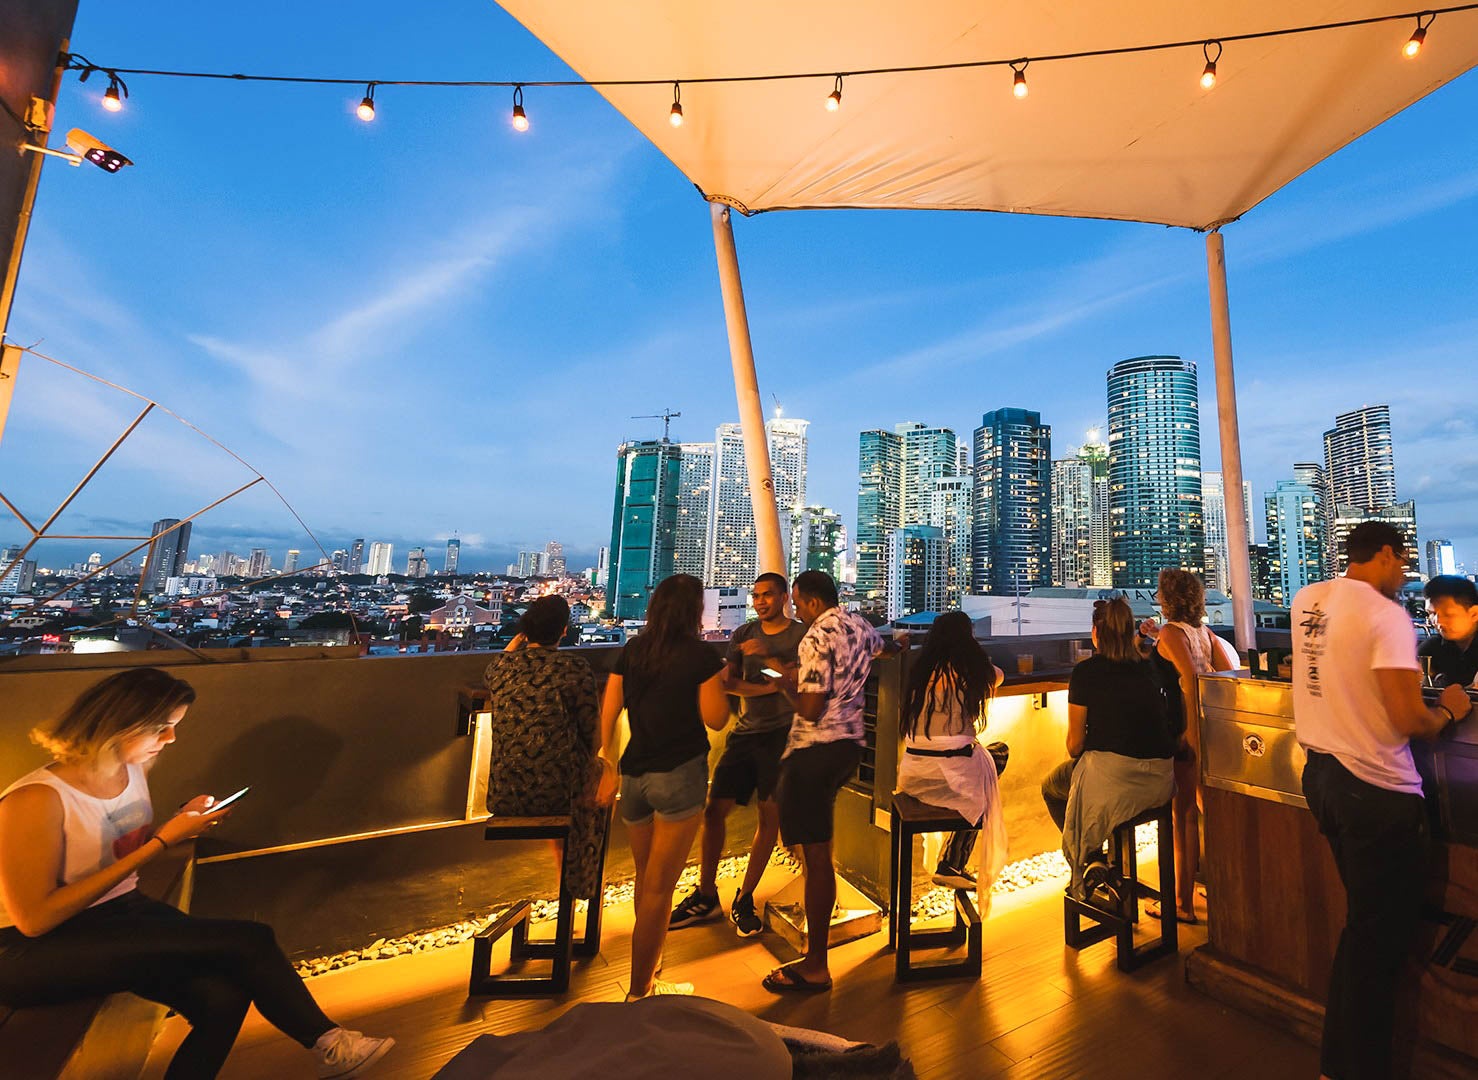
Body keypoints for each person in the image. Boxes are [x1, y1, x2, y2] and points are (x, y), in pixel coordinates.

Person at [0, 668, 393, 1080]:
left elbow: (105, 852)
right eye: (161, 728)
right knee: (250, 940)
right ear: (117, 724)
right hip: (30, 951)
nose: (170, 739)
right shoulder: (36, 799)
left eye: (174, 726)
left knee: (223, 997)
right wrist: (163, 843)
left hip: (114, 913)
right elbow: (34, 920)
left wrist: (182, 820)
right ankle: (330, 1044)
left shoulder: (132, 768)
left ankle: (328, 1047)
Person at [1293, 522, 1473, 1080]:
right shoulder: (1384, 613)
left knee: (1363, 928)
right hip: (1375, 790)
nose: (1406, 574)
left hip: (1322, 776)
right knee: (1377, 940)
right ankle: (1351, 1069)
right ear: (1387, 554)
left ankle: (1342, 1063)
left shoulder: (1308, 599)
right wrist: (1449, 711)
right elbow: (1407, 718)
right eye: (1403, 561)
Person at [595, 574, 728, 1000]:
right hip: (678, 776)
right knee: (659, 887)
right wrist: (720, 684)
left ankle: (649, 975)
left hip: (633, 777)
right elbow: (716, 719)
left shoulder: (633, 650)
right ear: (694, 611)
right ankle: (639, 993)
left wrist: (608, 766)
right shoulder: (701, 656)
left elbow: (610, 711)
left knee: (645, 879)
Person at [762, 571, 884, 994]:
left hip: (815, 750)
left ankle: (816, 965)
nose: (794, 610)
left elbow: (811, 710)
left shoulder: (814, 637)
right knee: (816, 849)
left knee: (816, 859)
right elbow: (884, 648)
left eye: (796, 603)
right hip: (850, 745)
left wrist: (783, 683)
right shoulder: (860, 625)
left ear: (812, 603)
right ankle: (816, 947)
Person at [670, 572, 804, 937]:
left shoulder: (800, 636)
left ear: (784, 598)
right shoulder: (743, 634)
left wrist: (770, 664)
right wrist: (771, 685)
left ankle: (745, 897)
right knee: (715, 811)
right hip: (745, 734)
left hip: (783, 736)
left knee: (769, 814)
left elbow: (802, 686)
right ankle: (707, 891)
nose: (760, 602)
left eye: (768, 595)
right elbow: (729, 683)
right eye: (756, 596)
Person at [1040, 596, 1177, 895]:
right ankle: (1107, 867)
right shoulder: (1149, 668)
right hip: (1162, 782)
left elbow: (1075, 745)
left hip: (1118, 784)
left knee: (1053, 786)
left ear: (1095, 633)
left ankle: (1092, 861)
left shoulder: (1087, 672)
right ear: (1130, 632)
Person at [484, 595, 605, 900]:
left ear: (525, 631)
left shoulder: (501, 669)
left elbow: (498, 662)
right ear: (565, 630)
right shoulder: (574, 668)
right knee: (602, 777)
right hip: (559, 791)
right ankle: (582, 882)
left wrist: (519, 639)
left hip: (503, 794)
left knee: (576, 778)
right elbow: (595, 739)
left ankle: (568, 877)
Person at [1149, 568, 1241, 924]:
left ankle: (1183, 903)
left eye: (1160, 592)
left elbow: (1187, 680)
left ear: (1169, 598)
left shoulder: (1172, 633)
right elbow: (1220, 677)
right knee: (1206, 811)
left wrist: (1188, 734)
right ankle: (1220, 884)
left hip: (1186, 730)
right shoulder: (1205, 633)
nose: (1157, 597)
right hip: (1212, 728)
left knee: (1182, 816)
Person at [894, 611, 1007, 894]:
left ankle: (952, 862)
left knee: (978, 768)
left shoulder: (920, 672)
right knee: (996, 758)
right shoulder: (969, 671)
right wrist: (975, 656)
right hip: (949, 775)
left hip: (912, 775)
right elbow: (999, 677)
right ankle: (952, 863)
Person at [1419, 575, 1478, 687]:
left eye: (1448, 614)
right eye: (1431, 613)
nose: (1437, 621)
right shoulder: (1432, 647)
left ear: (1474, 614)